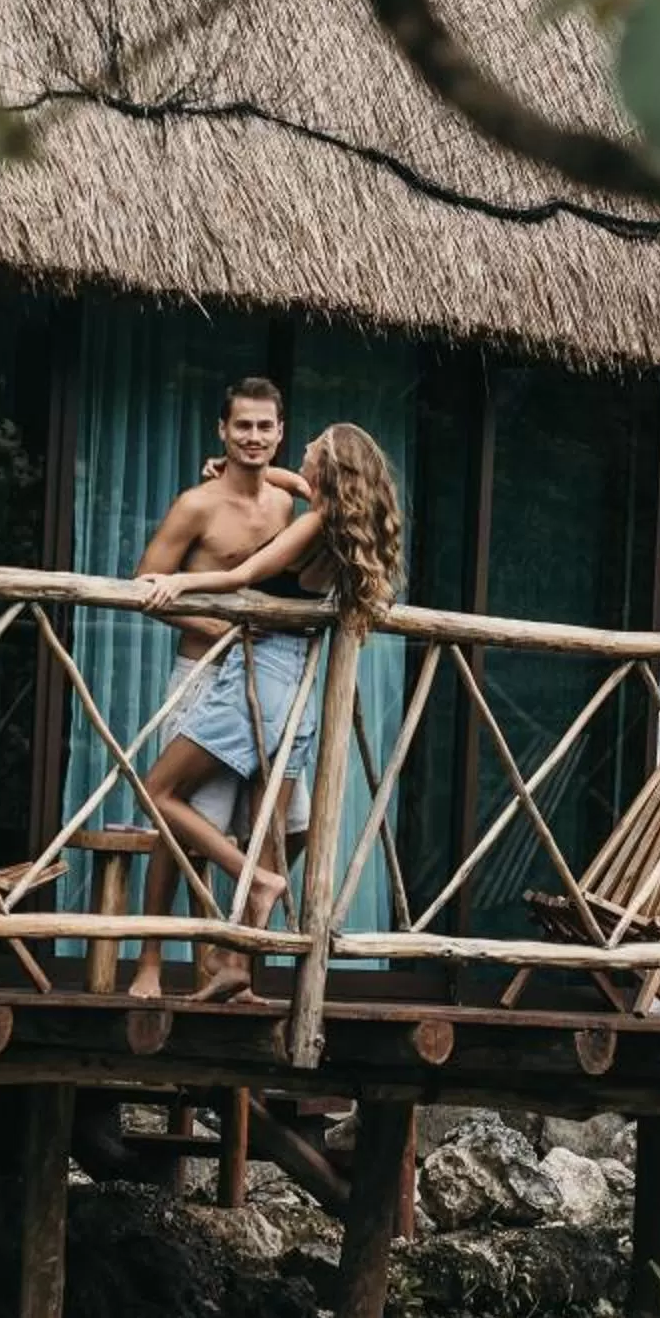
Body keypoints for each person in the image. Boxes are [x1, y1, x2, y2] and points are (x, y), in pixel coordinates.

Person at [127, 423, 405, 1002]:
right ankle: (237, 964)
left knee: (158, 792)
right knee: (270, 829)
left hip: (261, 674)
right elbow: (283, 478)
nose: (295, 451)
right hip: (300, 685)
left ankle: (255, 880)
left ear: (325, 470)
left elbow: (240, 576)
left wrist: (171, 583)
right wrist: (226, 466)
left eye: (308, 449)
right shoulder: (344, 528)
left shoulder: (309, 523)